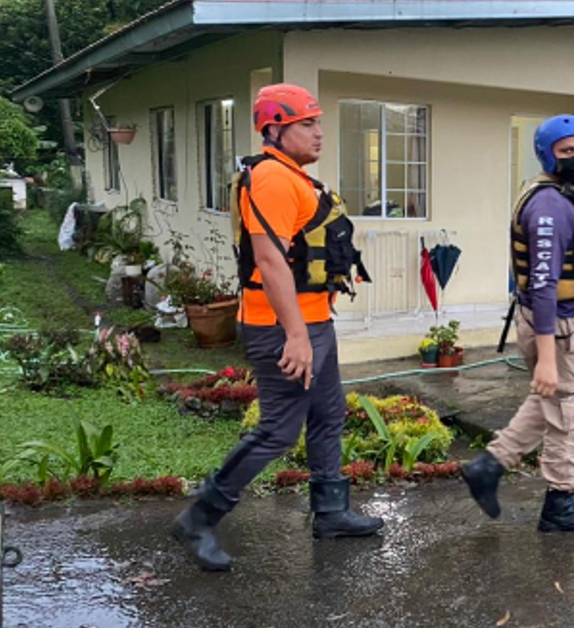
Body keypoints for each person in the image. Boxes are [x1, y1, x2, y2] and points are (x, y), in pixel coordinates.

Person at [173, 84, 382, 572]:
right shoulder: (269, 177)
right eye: (307, 124)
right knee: (278, 432)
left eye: (318, 122)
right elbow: (269, 260)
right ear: (275, 129)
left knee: (329, 415)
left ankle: (331, 511)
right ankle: (198, 518)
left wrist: (310, 328)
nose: (318, 133)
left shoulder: (296, 178)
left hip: (313, 321)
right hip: (281, 327)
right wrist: (295, 335)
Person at [462, 114, 574, 533]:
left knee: (552, 402)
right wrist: (548, 354)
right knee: (572, 413)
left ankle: (488, 467)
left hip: (564, 322)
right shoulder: (548, 206)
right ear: (548, 155)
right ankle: (560, 504)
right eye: (567, 152)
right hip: (554, 326)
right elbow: (545, 283)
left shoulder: (552, 194)